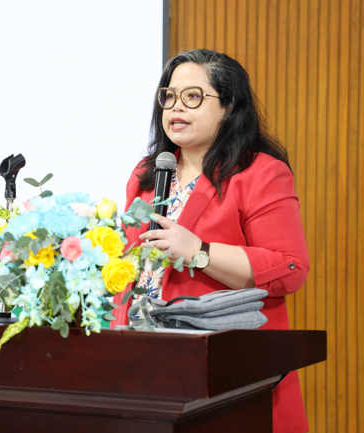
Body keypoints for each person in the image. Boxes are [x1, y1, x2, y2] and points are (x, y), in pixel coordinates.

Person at [111, 49, 310, 433]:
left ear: (228, 106)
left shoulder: (260, 173)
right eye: (169, 96)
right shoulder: (147, 174)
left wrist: (199, 252)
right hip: (142, 361)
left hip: (223, 368)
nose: (176, 107)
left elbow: (290, 267)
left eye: (193, 96)